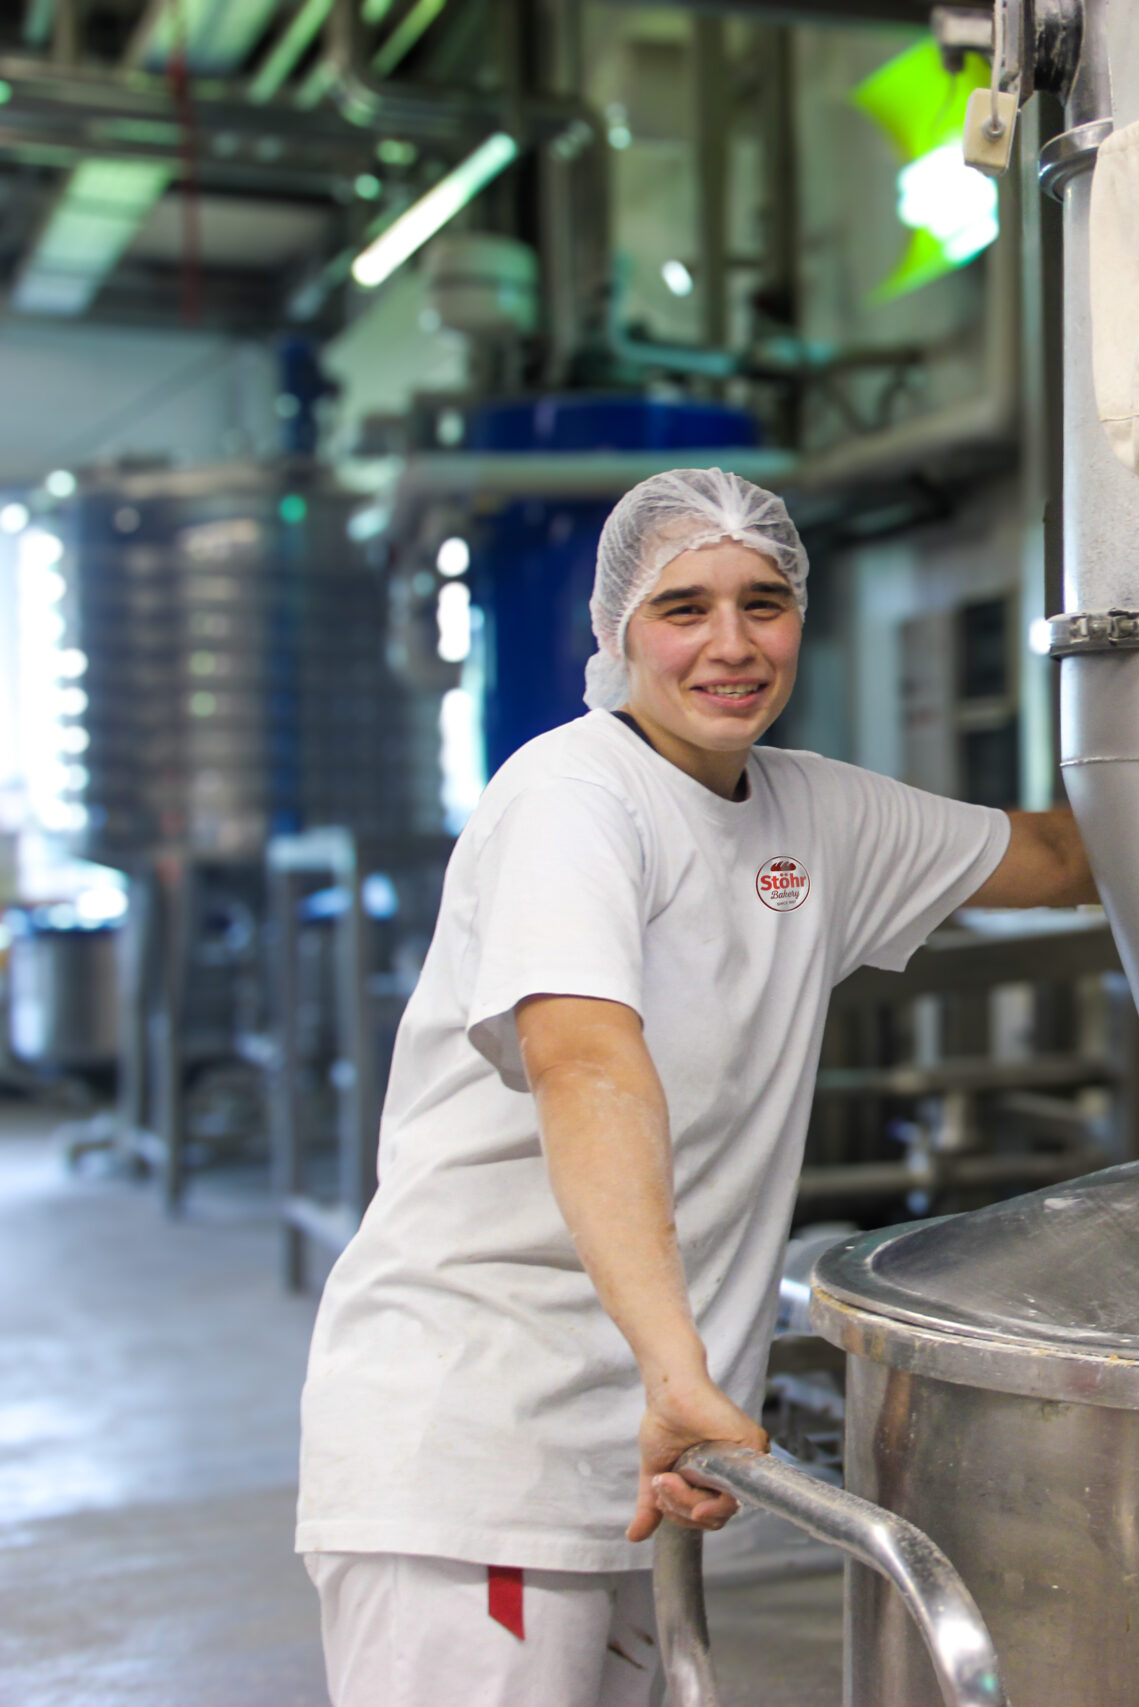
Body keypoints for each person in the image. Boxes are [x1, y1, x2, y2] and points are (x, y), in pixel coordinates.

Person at [294, 469, 1096, 1705]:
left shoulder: (810, 809)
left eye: (763, 603)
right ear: (620, 632)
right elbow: (585, 1065)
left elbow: (1051, 857)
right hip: (486, 1445)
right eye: (684, 609)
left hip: (634, 1452)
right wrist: (680, 1372)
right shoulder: (572, 802)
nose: (731, 645)